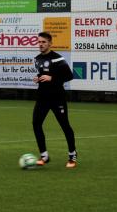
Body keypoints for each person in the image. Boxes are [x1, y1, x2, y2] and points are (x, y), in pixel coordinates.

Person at [32, 31, 77, 168]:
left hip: (57, 98)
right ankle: (44, 156)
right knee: (36, 123)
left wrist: (53, 78)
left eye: (43, 42)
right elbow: (43, 75)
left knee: (65, 126)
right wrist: (38, 78)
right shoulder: (37, 59)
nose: (41, 44)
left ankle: (72, 156)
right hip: (42, 97)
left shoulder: (58, 59)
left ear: (50, 43)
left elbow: (69, 76)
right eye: (39, 42)